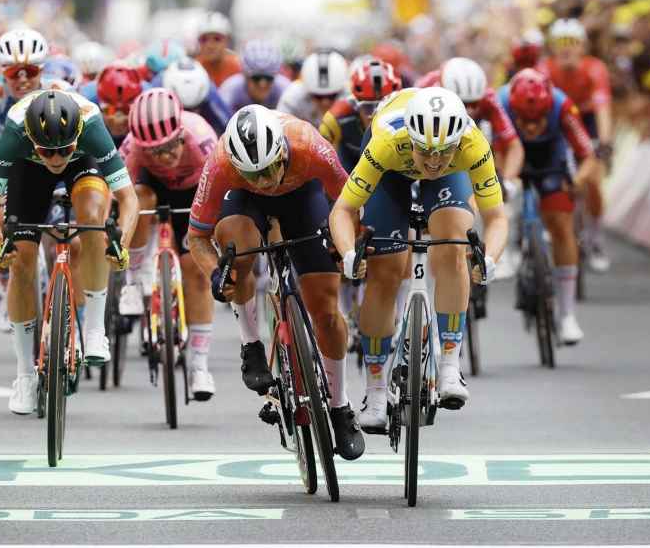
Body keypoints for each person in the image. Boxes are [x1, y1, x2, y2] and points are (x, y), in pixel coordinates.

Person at [187, 105, 365, 461]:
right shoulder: (221, 162)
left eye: (269, 170)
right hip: (243, 203)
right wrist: (216, 273)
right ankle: (251, 345)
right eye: (253, 173)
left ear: (283, 151)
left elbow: (349, 205)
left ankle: (339, 406)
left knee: (326, 313)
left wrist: (343, 248)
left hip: (303, 196)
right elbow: (197, 238)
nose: (264, 181)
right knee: (236, 254)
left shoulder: (309, 145)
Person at [328, 87, 509, 431]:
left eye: (443, 152)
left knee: (455, 242)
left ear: (458, 142)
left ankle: (451, 367)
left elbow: (497, 217)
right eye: (425, 151)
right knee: (385, 271)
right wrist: (350, 254)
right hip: (391, 173)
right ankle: (376, 391)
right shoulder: (385, 142)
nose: (434, 161)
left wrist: (492, 260)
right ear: (411, 138)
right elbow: (343, 210)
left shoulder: (471, 144)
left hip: (445, 182)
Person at [0, 90, 139, 415]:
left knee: (93, 220)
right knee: (20, 261)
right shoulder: (15, 132)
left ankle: (94, 330)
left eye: (63, 149)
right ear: (31, 139)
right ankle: (24, 376)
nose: (55, 159)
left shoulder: (91, 126)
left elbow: (129, 198)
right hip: (27, 172)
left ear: (76, 136)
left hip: (84, 168)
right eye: (46, 152)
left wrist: (122, 242)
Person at [117, 89, 219, 401]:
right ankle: (133, 281)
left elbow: (221, 190)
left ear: (181, 134)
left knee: (196, 273)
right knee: (139, 199)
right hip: (151, 189)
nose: (164, 156)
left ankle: (199, 366)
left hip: (195, 194)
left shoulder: (202, 137)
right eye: (155, 151)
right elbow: (121, 198)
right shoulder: (131, 149)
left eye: (170, 146)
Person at [0, 28, 70, 333]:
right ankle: (5, 285)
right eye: (15, 72)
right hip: (11, 171)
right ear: (4, 72)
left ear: (42, 70)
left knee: (68, 238)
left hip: (54, 169)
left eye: (30, 71)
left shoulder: (58, 90)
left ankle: (70, 311)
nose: (23, 79)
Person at [499, 69, 600, 345]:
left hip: (551, 158)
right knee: (499, 194)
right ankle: (508, 247)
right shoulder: (500, 104)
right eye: (525, 121)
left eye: (539, 120)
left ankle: (567, 314)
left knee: (560, 223)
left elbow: (588, 156)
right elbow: (485, 150)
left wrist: (577, 181)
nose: (531, 127)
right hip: (509, 153)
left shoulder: (563, 106)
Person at [539, 18, 614, 273]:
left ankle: (595, 238)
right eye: (562, 43)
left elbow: (603, 108)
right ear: (552, 47)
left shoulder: (595, 68)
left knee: (592, 179)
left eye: (573, 43)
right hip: (559, 120)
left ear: (583, 47)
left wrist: (604, 142)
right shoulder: (545, 69)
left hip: (587, 119)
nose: (567, 49)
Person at [415, 57, 524, 182]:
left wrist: (506, 182)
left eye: (473, 104)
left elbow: (513, 146)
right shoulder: (424, 91)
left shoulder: (488, 97)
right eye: (461, 103)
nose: (468, 111)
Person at [319, 58, 402, 169]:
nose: (375, 115)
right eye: (368, 107)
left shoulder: (410, 115)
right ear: (355, 104)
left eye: (385, 106)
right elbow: (324, 167)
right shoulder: (335, 120)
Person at [162, 58, 233, 135]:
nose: (189, 117)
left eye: (194, 109)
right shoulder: (160, 93)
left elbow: (229, 125)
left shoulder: (210, 93)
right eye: (184, 110)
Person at [278, 50, 348, 127]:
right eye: (318, 96)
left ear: (341, 90)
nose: (325, 102)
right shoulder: (292, 97)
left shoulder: (349, 97)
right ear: (306, 89)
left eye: (332, 96)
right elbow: (279, 128)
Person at [218, 39, 291, 111]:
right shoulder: (230, 90)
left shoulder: (285, 89)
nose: (262, 84)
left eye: (269, 78)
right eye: (256, 78)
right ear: (245, 76)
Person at [85, 63, 146, 147]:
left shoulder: (147, 103)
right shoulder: (87, 101)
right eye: (111, 110)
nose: (118, 119)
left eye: (126, 110)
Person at [194, 12, 241, 87]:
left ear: (227, 41)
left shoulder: (238, 68)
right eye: (204, 39)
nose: (210, 45)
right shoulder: (194, 69)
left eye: (217, 39)